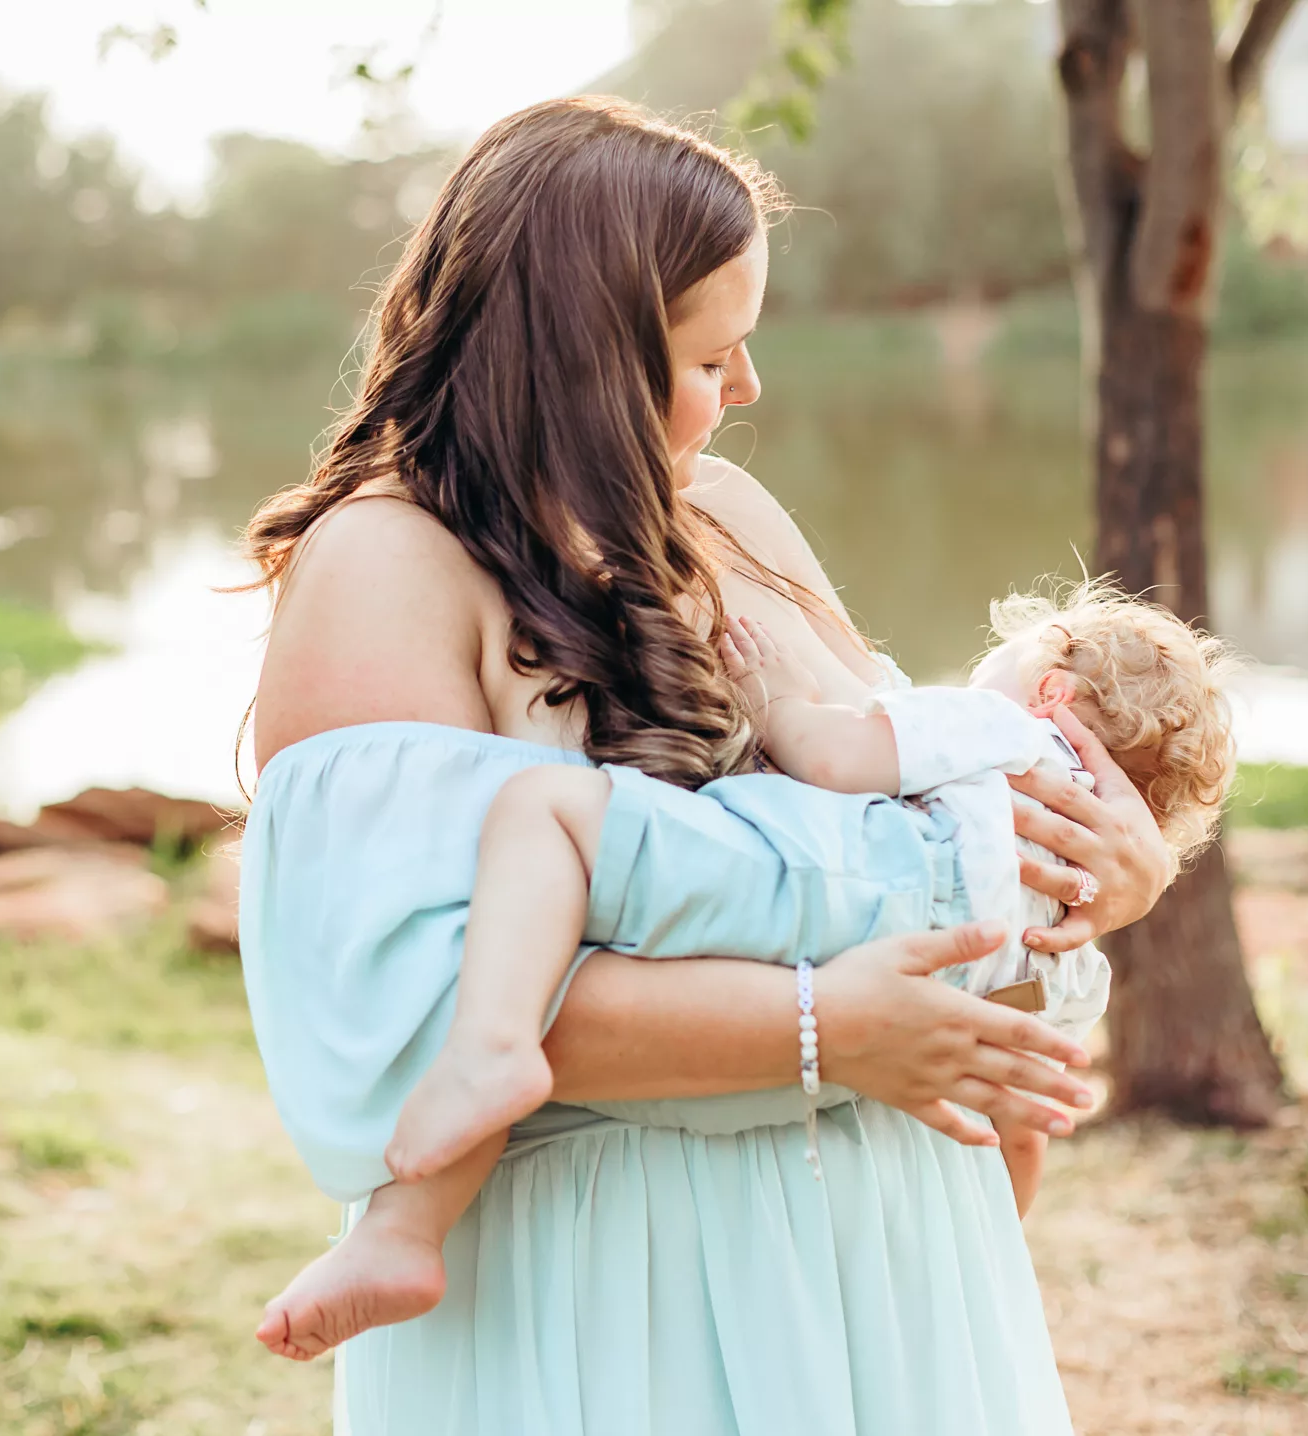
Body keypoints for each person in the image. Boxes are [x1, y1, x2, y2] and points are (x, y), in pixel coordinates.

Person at [237, 95, 1173, 1435]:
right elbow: (413, 1003)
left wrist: (1096, 882)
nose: (746, 391)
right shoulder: (386, 566)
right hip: (610, 1280)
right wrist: (821, 1028)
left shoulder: (722, 511)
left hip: (883, 1242)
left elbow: (901, 845)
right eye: (708, 355)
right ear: (578, 356)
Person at [267, 584, 1234, 1341]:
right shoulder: (1073, 957)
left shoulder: (1007, 734)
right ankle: (412, 1220)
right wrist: (988, 1254)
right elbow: (1018, 1125)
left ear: (1052, 687)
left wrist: (775, 694)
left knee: (547, 820)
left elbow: (835, 759)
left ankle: (433, 1171)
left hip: (834, 887)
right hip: (878, 1023)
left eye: (1002, 658)